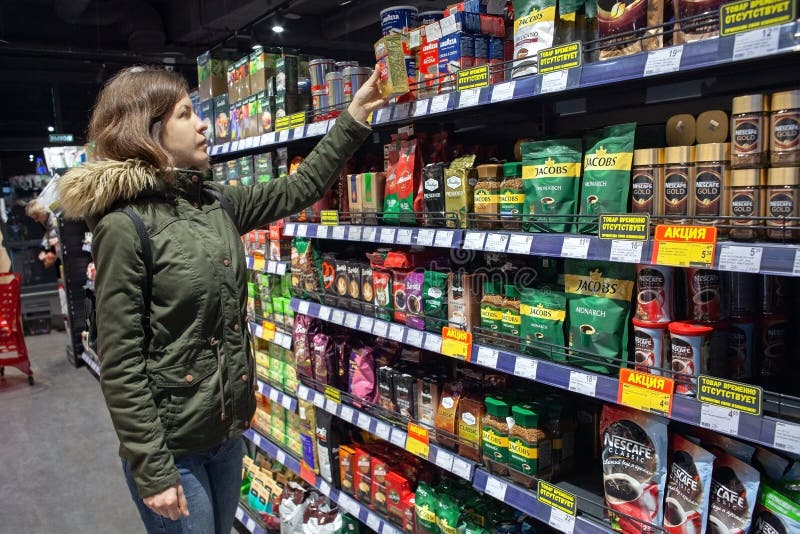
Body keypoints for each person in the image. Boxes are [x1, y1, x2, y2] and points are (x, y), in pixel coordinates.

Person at [58, 65, 386, 534]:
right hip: (173, 450)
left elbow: (298, 188)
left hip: (227, 434)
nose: (203, 124)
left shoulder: (213, 203)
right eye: (186, 114)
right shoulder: (123, 228)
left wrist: (355, 114)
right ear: (148, 130)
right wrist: (153, 469)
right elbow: (121, 362)